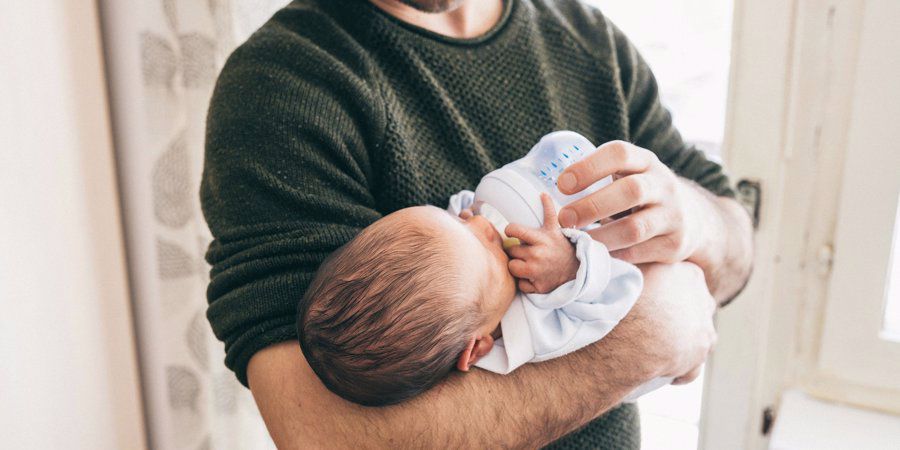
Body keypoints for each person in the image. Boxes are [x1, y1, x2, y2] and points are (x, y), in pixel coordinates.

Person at [200, 0, 754, 447]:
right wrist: (648, 337)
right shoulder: (286, 84)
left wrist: (693, 218)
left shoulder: (586, 37)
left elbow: (736, 245)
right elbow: (322, 436)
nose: (478, 223)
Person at [299, 191, 654, 406]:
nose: (482, 225)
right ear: (477, 348)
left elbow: (464, 216)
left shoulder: (464, 295)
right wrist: (569, 269)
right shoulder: (536, 335)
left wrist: (473, 211)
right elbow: (621, 293)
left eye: (454, 221)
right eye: (488, 249)